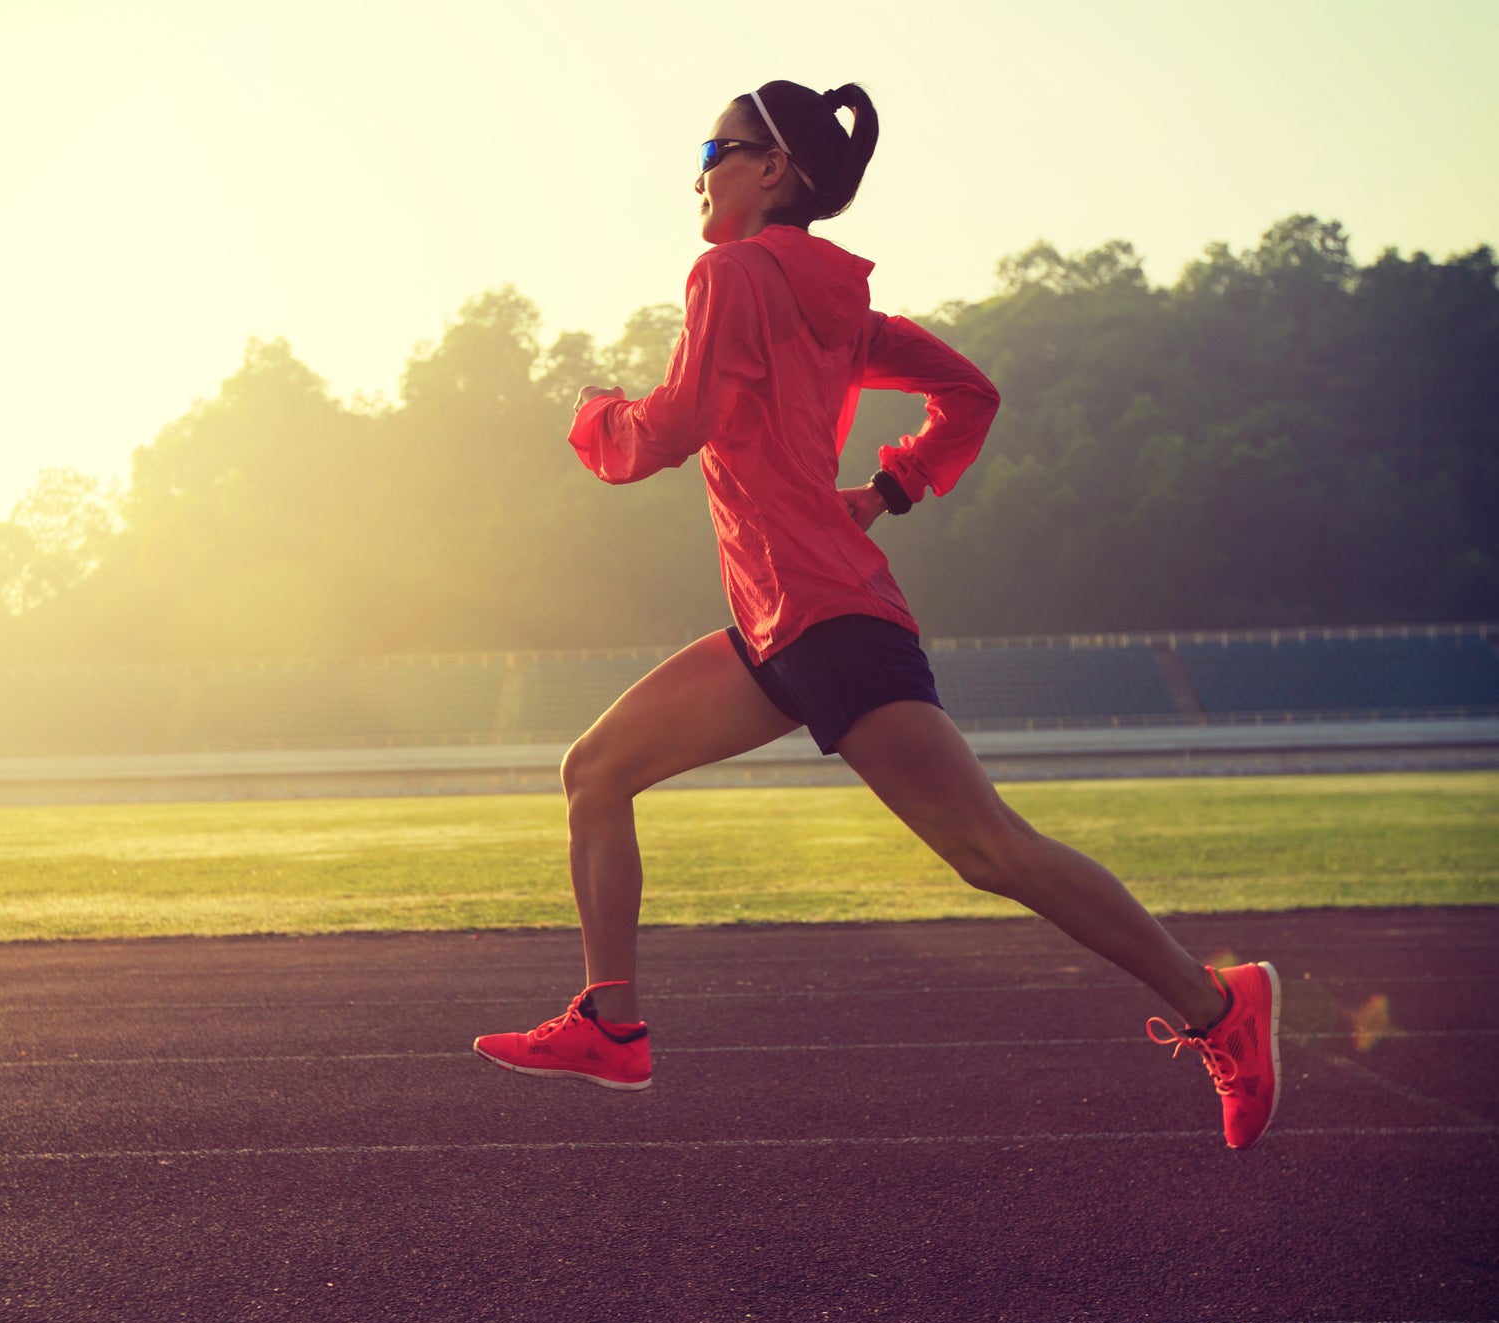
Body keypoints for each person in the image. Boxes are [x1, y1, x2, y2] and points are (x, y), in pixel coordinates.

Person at [474, 80, 1281, 1149]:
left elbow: (666, 430)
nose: (699, 170)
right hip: (781, 627)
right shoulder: (837, 307)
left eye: (717, 147)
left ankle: (1222, 1006)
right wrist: (890, 490)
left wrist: (593, 417)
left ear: (774, 171)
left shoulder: (733, 271)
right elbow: (972, 395)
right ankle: (611, 1023)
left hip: (831, 622)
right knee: (597, 770)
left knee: (992, 853)